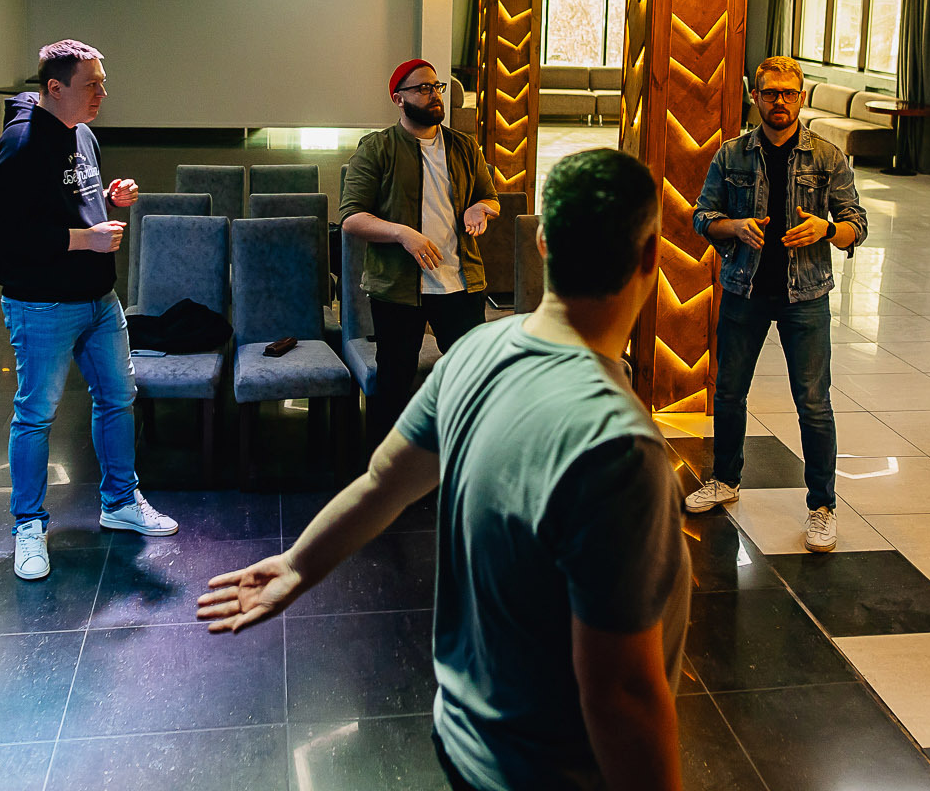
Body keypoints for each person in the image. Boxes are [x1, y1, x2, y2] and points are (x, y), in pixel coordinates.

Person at [201, 149, 689, 791]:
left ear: (542, 242)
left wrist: (299, 563)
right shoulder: (619, 449)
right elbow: (620, 694)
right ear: (652, 256)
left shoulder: (474, 352)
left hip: (463, 741)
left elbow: (383, 484)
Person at [0, 39, 176, 583]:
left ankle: (120, 501)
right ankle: (29, 526)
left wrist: (110, 197)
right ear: (55, 87)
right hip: (42, 303)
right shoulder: (18, 146)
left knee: (117, 398)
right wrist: (82, 240)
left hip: (99, 298)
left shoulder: (82, 134)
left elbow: (70, 200)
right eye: (92, 84)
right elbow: (6, 237)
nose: (102, 94)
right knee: (36, 415)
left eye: (102, 82)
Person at [684, 56, 867, 552]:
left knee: (814, 403)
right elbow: (702, 217)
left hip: (805, 295)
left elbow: (857, 225)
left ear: (800, 96)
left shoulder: (827, 157)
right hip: (743, 289)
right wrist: (734, 227)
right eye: (770, 93)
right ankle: (725, 480)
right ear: (756, 97)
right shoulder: (732, 155)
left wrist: (827, 229)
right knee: (728, 392)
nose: (780, 101)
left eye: (788, 93)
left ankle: (822, 507)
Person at [339, 58, 500, 445]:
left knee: (471, 377)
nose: (434, 95)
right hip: (399, 288)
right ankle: (385, 467)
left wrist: (480, 209)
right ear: (399, 99)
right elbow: (351, 218)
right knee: (394, 384)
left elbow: (490, 198)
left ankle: (460, 458)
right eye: (423, 88)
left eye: (436, 87)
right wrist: (402, 234)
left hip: (459, 283)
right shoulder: (377, 148)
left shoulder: (463, 146)